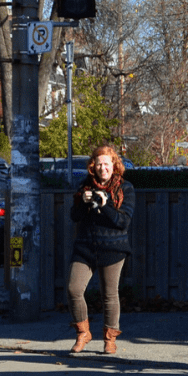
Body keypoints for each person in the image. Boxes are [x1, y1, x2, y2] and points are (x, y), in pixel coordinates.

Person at [67, 145, 135, 355]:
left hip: (113, 248)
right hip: (85, 247)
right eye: (99, 164)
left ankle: (110, 339)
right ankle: (83, 333)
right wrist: (83, 202)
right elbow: (75, 216)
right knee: (73, 289)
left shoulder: (125, 188)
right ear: (92, 167)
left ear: (114, 165)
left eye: (107, 164)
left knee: (109, 295)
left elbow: (122, 221)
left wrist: (104, 205)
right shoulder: (84, 187)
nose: (103, 168)